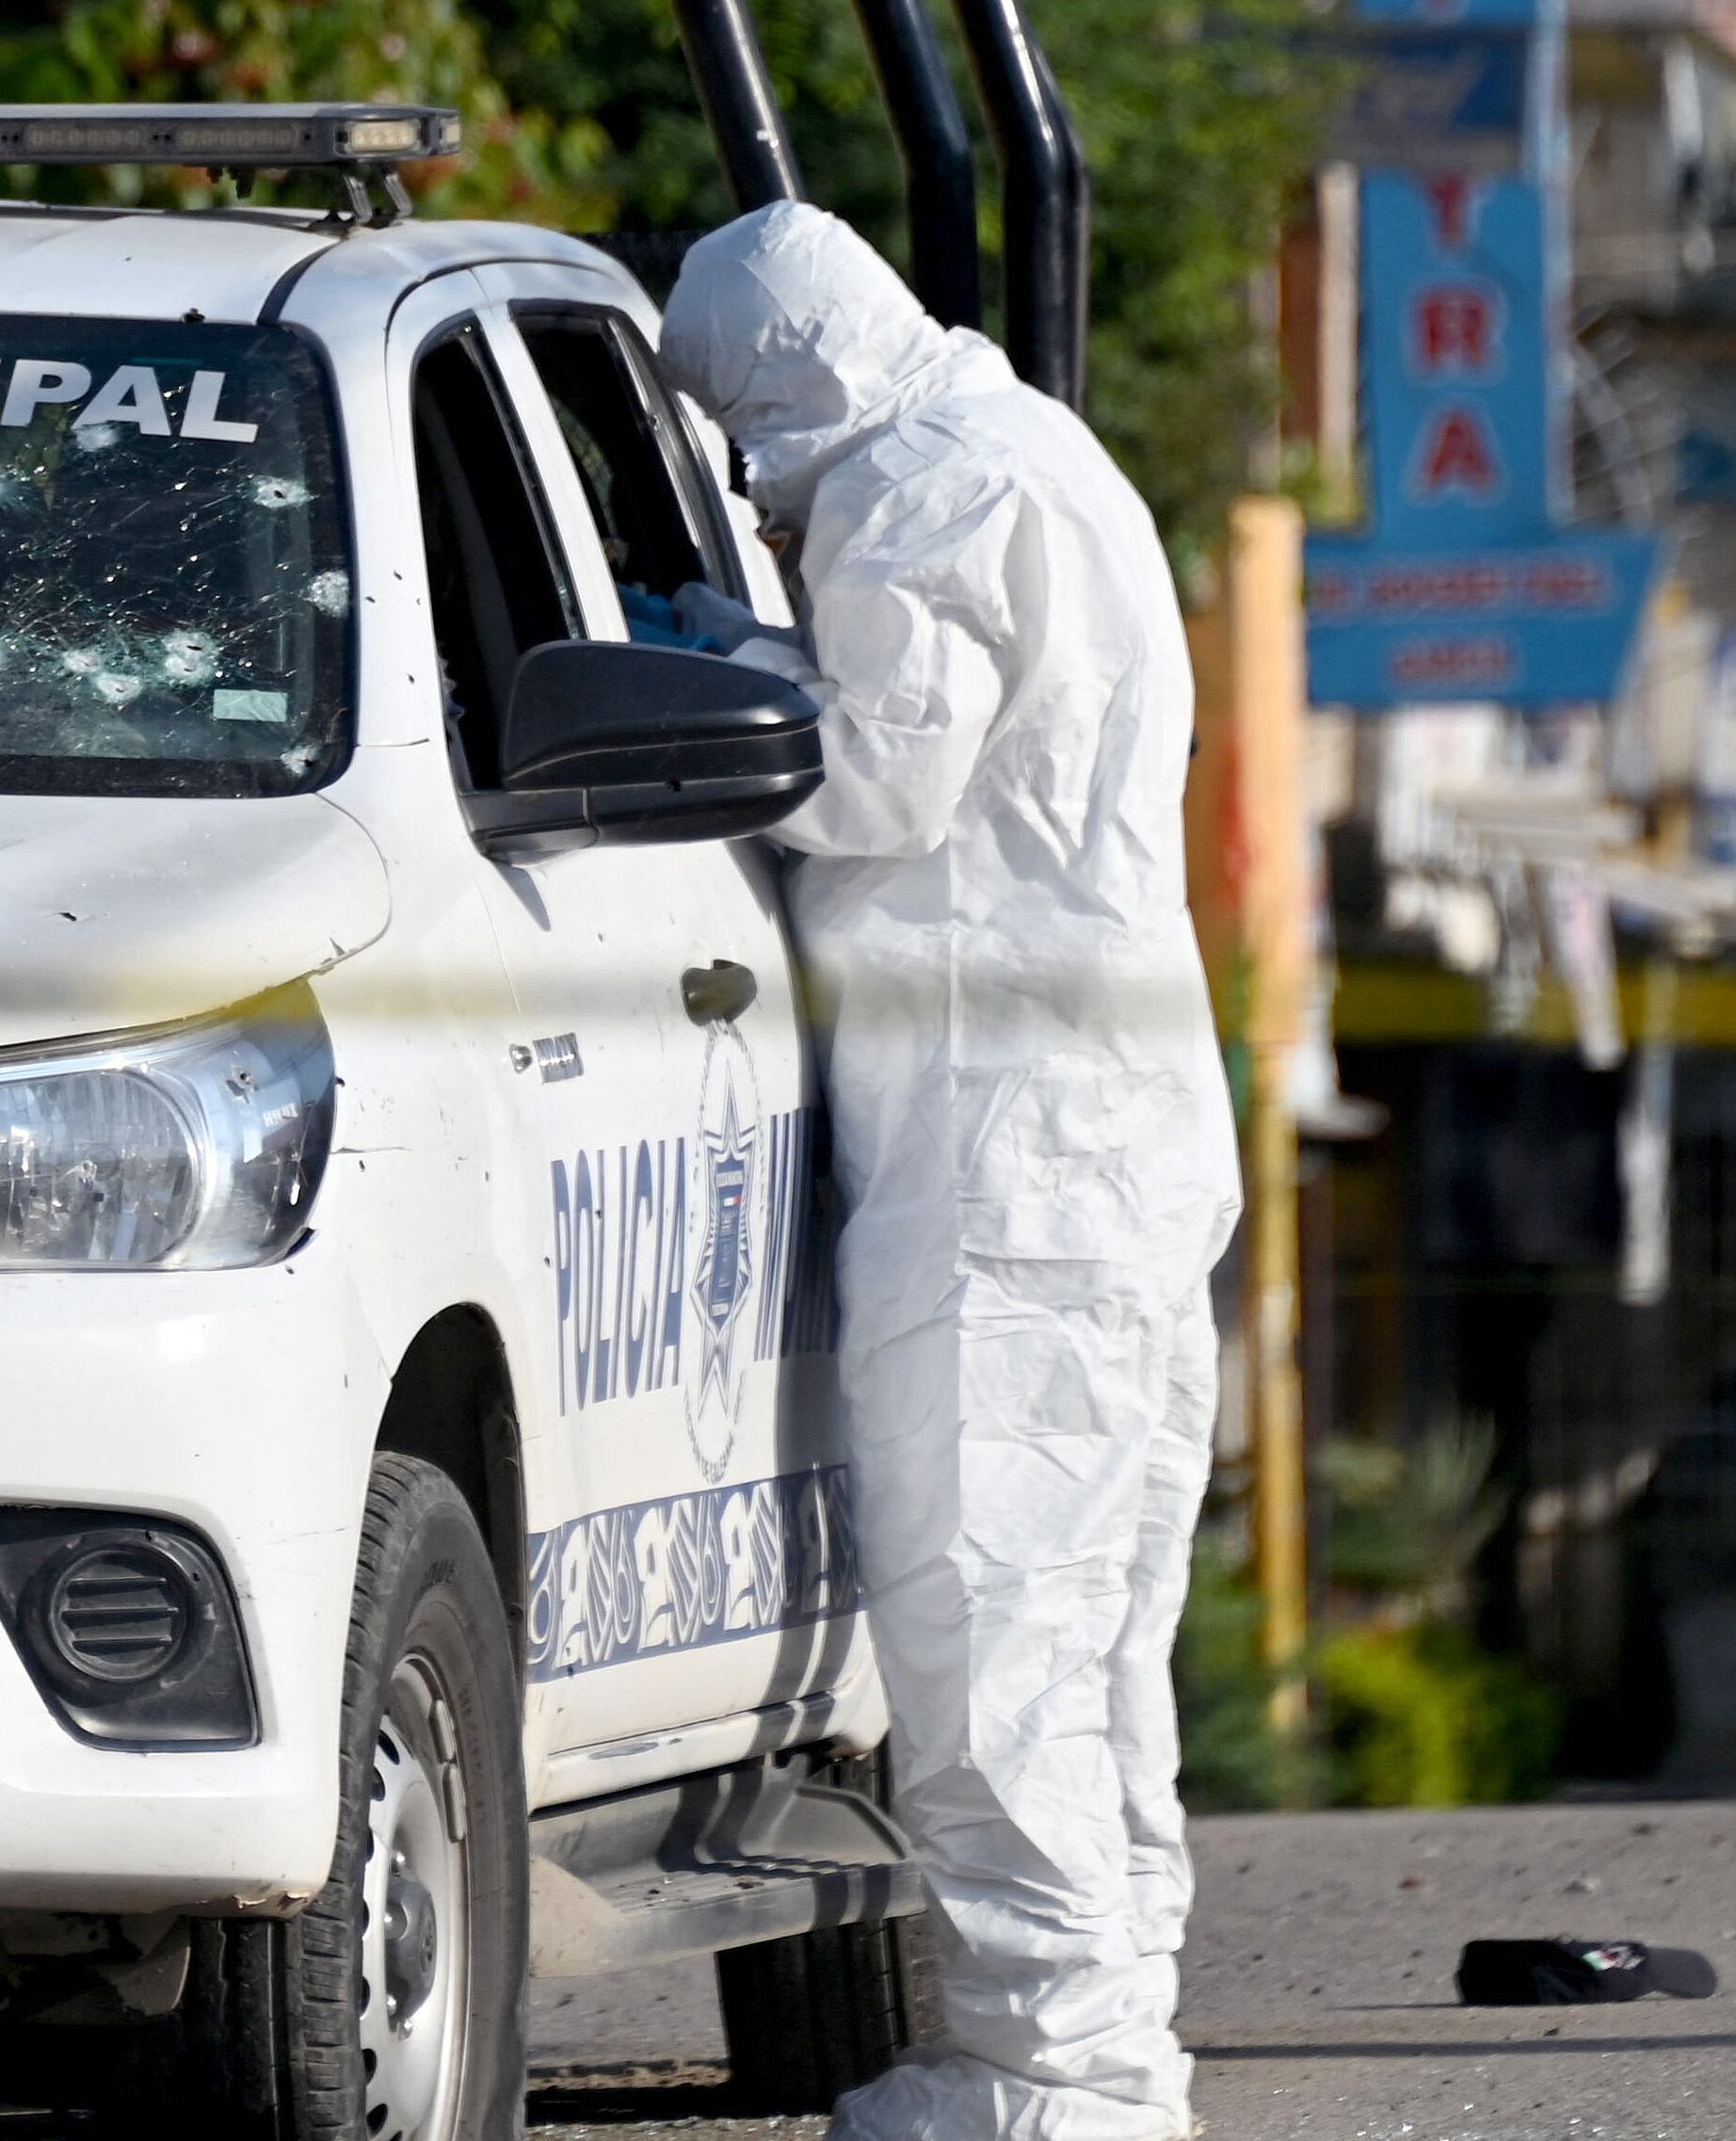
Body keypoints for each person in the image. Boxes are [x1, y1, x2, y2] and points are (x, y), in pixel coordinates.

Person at [656, 201, 1241, 2141]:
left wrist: (685, 679)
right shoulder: (1033, 449)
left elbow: (874, 780)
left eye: (739, 419)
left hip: (1013, 1158)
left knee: (988, 1624)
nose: (750, 467)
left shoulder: (917, 493)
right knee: (1090, 1638)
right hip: (1117, 1128)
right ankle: (1103, 2048)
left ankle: (1045, 2073)